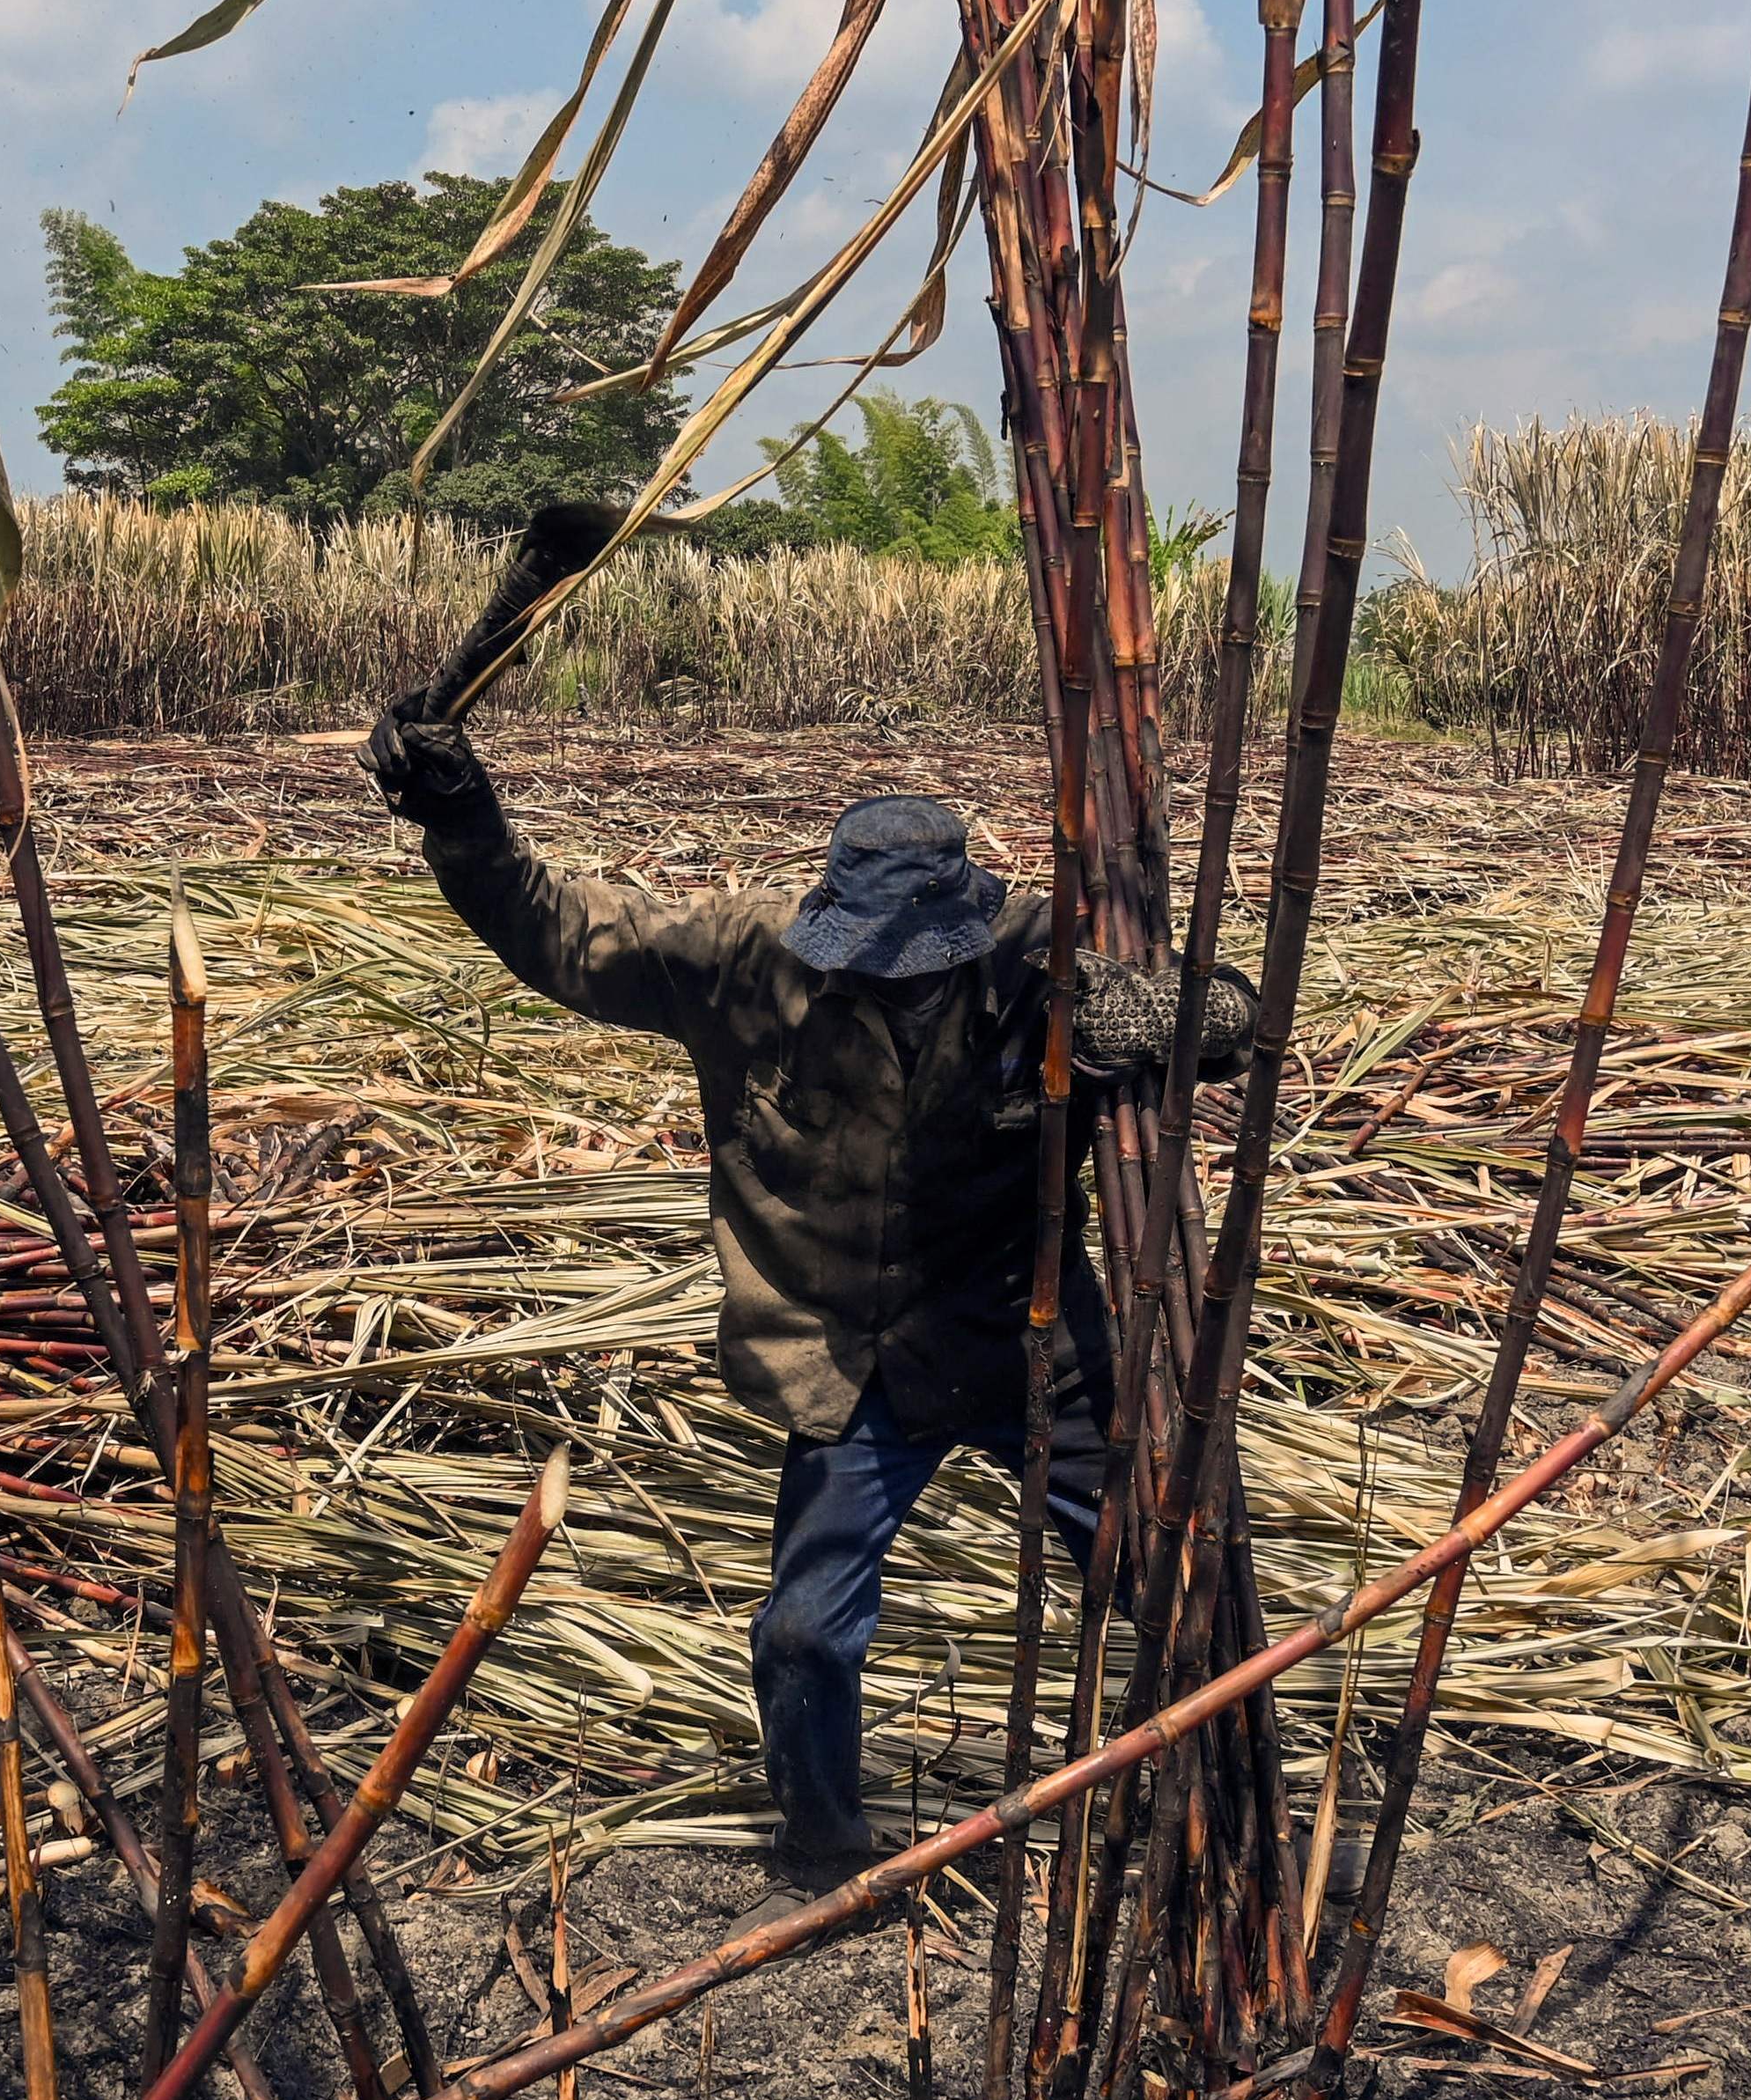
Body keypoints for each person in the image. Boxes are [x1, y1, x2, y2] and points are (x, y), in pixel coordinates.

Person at [365, 704, 1252, 1897]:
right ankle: (825, 1845)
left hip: (1021, 1335)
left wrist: (1158, 1019)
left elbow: (1239, 1010)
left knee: (1168, 1571)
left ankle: (1240, 1823)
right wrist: (459, 813)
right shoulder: (743, 961)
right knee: (802, 1635)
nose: (895, 981)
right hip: (848, 1356)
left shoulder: (1040, 955)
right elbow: (552, 928)